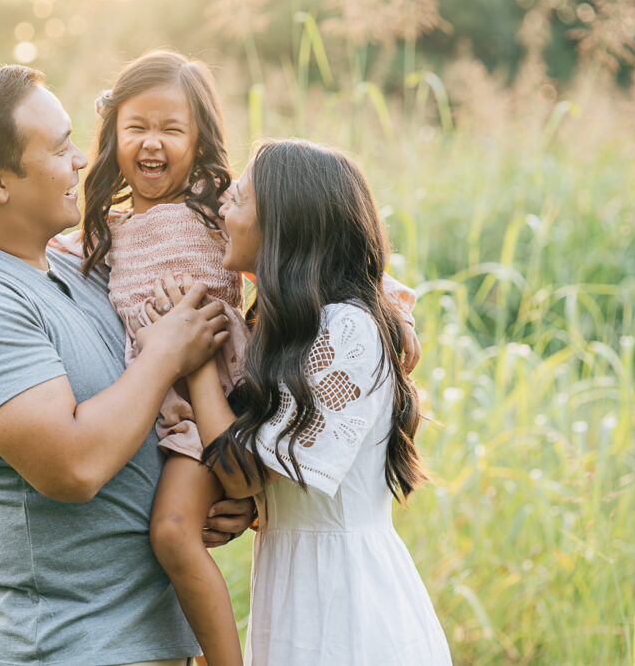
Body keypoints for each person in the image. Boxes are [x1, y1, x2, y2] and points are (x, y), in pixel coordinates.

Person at [56, 50, 423, 666]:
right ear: (112, 132)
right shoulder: (111, 229)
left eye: (172, 130)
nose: (152, 144)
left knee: (173, 531)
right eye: (136, 127)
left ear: (200, 141)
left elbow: (327, 245)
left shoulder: (214, 205)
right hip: (171, 406)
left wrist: (396, 315)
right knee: (181, 527)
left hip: (221, 396)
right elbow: (46, 240)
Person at [0, 64, 253, 666]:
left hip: (156, 643)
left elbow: (148, 413)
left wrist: (222, 488)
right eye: (60, 146)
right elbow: (75, 466)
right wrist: (172, 350)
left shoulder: (81, 269)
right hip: (68, 648)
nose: (82, 161)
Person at [147, 139, 452, 665]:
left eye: (238, 200)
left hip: (347, 611)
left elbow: (245, 472)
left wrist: (194, 363)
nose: (223, 208)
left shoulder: (346, 329)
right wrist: (254, 510)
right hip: (299, 594)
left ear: (283, 228)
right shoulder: (293, 327)